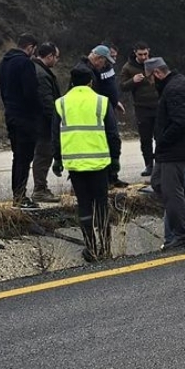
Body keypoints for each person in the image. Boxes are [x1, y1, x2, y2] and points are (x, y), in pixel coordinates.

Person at [51, 66, 121, 262]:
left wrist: (57, 160)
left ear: (72, 82)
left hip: (75, 164)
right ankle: (106, 248)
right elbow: (113, 134)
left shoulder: (61, 103)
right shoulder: (101, 101)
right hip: (99, 164)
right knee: (101, 205)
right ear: (90, 81)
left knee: (84, 205)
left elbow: (55, 135)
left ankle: (90, 248)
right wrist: (115, 159)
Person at [146, 57, 185, 250]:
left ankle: (184, 235)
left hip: (174, 149)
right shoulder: (175, 85)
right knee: (158, 182)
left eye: (151, 79)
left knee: (172, 191)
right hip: (169, 150)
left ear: (157, 74)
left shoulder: (174, 89)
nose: (151, 84)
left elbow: (179, 122)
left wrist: (162, 140)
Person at [0, 33, 41, 209]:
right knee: (25, 157)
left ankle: (18, 193)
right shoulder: (25, 64)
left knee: (18, 156)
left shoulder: (3, 63)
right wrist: (38, 113)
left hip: (11, 113)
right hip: (25, 117)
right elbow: (30, 93)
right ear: (30, 47)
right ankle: (20, 196)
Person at [74, 45, 128, 187]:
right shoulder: (85, 71)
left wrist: (115, 102)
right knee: (107, 142)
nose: (105, 65)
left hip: (107, 107)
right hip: (97, 112)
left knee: (111, 141)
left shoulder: (95, 69)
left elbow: (106, 87)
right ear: (98, 58)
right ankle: (105, 178)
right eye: (104, 62)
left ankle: (112, 177)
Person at [119, 41, 160, 177]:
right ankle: (149, 165)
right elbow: (122, 86)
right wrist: (133, 81)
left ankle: (161, 163)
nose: (143, 57)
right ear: (135, 52)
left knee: (161, 136)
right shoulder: (128, 67)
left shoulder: (156, 62)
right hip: (142, 107)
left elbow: (167, 77)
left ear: (149, 51)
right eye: (140, 54)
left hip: (158, 105)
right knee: (145, 138)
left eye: (145, 54)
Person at [30, 42, 63, 203]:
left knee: (43, 155)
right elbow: (47, 102)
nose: (57, 60)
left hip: (39, 121)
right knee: (43, 156)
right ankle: (40, 189)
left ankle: (41, 187)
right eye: (56, 57)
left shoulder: (39, 70)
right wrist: (56, 120)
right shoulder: (42, 75)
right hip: (43, 124)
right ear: (49, 56)